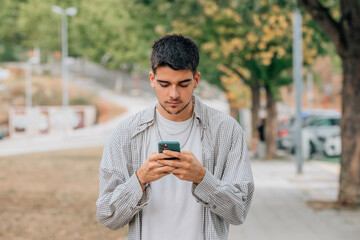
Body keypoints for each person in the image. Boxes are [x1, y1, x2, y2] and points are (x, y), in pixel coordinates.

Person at [96, 34, 254, 240]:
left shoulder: (227, 130)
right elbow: (108, 216)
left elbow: (239, 211)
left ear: (196, 80)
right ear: (152, 80)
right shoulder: (126, 133)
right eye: (164, 84)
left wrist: (202, 178)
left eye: (183, 84)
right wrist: (140, 179)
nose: (173, 94)